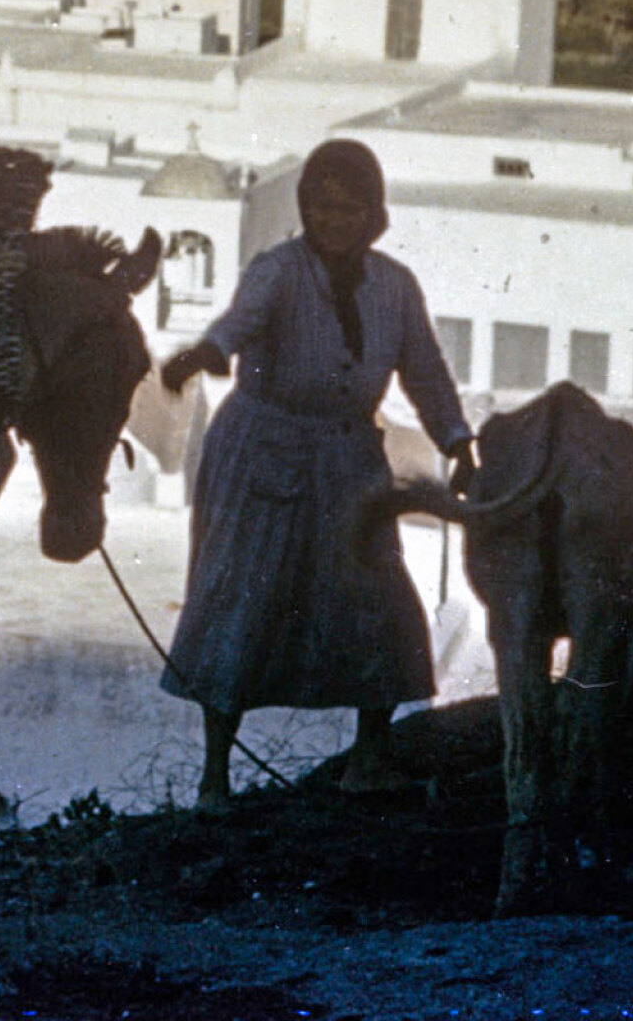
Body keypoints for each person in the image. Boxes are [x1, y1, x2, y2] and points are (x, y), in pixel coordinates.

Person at [158, 137, 476, 803]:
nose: (335, 221)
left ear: (373, 212)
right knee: (243, 602)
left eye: (350, 208)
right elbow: (239, 323)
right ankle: (214, 781)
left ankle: (369, 758)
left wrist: (456, 441)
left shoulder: (394, 286)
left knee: (378, 602)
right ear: (305, 207)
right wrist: (207, 353)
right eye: (322, 207)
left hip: (348, 455)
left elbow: (424, 370)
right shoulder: (278, 269)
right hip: (262, 450)